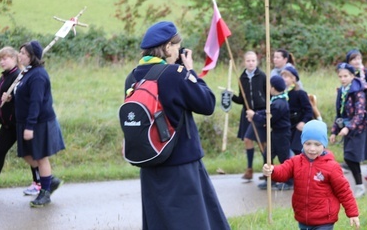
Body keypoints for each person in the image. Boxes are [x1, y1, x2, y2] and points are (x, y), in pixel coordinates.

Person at [124, 21, 230, 230]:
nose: (177, 50)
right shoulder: (175, 74)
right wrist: (190, 71)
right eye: (176, 45)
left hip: (149, 160)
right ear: (167, 47)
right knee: (193, 222)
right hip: (181, 162)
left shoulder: (133, 77)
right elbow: (207, 104)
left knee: (159, 222)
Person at [263, 120, 360, 230]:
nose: (312, 148)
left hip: (324, 220)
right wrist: (272, 170)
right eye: (308, 143)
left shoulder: (331, 167)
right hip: (303, 218)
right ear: (302, 143)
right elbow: (283, 171)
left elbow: (344, 191)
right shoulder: (296, 161)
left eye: (317, 144)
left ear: (324, 145)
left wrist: (352, 213)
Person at [0, 47, 41, 198]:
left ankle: (38, 183)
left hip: (19, 123)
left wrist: (12, 98)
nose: (2, 61)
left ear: (15, 59)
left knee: (29, 153)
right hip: (7, 124)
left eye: (5, 58)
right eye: (0, 59)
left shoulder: (19, 76)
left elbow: (25, 97)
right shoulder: (4, 77)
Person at [11, 41, 64, 207]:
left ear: (32, 57)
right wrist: (11, 97)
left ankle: (45, 192)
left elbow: (36, 102)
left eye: (24, 54)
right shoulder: (27, 72)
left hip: (38, 123)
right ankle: (50, 180)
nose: (20, 56)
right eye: (20, 52)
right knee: (27, 155)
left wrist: (30, 126)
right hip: (25, 121)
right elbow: (24, 94)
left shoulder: (38, 76)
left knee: (40, 157)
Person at [330, 63, 367, 198]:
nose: (343, 79)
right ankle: (360, 186)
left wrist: (348, 128)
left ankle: (360, 187)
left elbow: (360, 114)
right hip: (346, 128)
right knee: (349, 158)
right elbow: (339, 114)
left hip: (358, 129)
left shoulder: (358, 92)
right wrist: (334, 131)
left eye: (346, 76)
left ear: (352, 76)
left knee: (351, 157)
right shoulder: (341, 91)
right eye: (340, 76)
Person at [246, 75, 291, 190]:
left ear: (273, 88)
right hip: (274, 133)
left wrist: (255, 116)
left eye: (269, 85)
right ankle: (270, 179)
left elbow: (268, 119)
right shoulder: (275, 100)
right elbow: (266, 111)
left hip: (282, 134)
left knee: (284, 158)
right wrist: (255, 114)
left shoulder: (280, 103)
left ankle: (289, 181)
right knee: (267, 155)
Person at [232, 51, 267, 180]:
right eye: (248, 61)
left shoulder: (262, 76)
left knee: (262, 141)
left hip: (260, 112)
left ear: (256, 62)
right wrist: (231, 96)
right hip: (247, 113)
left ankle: (266, 168)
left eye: (253, 60)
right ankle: (249, 169)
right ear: (244, 62)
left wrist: (266, 110)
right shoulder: (242, 78)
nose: (250, 63)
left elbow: (267, 95)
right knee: (247, 139)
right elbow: (242, 99)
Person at [280, 65, 314, 155]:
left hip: (298, 125)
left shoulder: (300, 93)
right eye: (282, 77)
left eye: (286, 77)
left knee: (297, 149)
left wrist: (303, 122)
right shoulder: (281, 94)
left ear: (293, 78)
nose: (283, 79)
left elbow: (308, 110)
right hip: (287, 125)